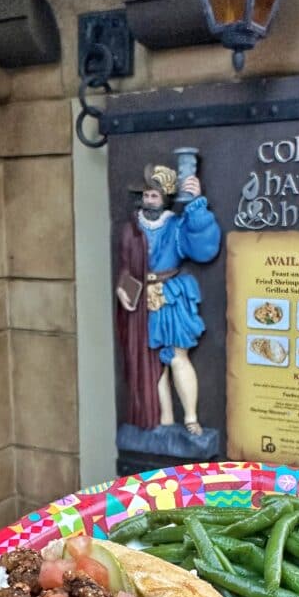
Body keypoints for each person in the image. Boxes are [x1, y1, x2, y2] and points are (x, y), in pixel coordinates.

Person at [116, 164, 221, 436]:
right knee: (152, 364)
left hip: (169, 297)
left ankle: (190, 417)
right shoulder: (133, 228)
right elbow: (127, 265)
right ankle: (163, 418)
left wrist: (196, 204)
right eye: (146, 195)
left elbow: (202, 247)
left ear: (166, 197)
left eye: (155, 195)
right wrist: (123, 288)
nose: (150, 200)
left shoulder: (175, 225)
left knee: (177, 357)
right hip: (140, 300)